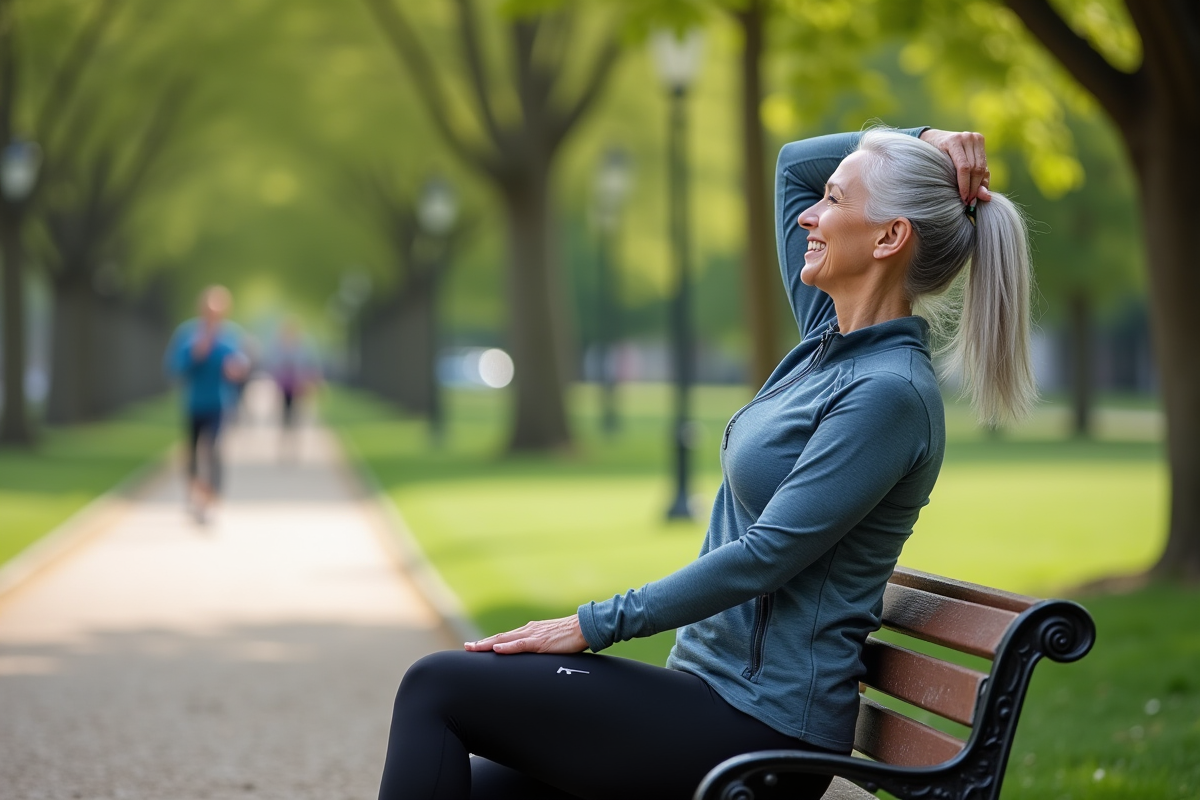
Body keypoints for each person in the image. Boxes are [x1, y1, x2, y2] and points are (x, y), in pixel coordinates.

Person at [375, 125, 1035, 800]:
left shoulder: (886, 394)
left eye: (834, 201)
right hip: (708, 696)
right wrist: (922, 137)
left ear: (889, 238)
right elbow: (791, 168)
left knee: (437, 686)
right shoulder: (827, 342)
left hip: (761, 731)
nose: (811, 213)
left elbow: (767, 554)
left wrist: (592, 625)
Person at [164, 286, 249, 524]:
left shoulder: (230, 336)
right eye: (209, 310)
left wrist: (236, 370)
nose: (214, 315)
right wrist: (195, 355)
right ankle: (193, 490)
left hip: (220, 403)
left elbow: (241, 365)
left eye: (218, 311)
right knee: (192, 451)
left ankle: (212, 496)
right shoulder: (188, 334)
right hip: (193, 403)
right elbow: (175, 367)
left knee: (214, 449)